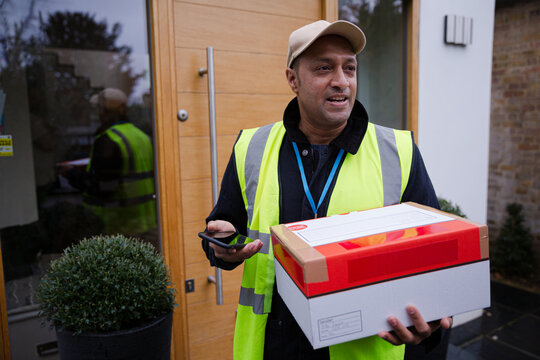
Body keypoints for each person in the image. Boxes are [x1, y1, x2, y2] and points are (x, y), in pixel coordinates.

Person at [202, 20, 452, 360]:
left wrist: (431, 325)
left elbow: (434, 257)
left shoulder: (399, 151)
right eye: (324, 68)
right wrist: (221, 247)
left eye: (349, 68)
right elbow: (225, 229)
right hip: (273, 348)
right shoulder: (251, 147)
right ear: (292, 79)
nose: (341, 81)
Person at [63, 88, 158, 248]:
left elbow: (102, 188)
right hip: (147, 224)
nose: (99, 114)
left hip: (119, 227)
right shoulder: (142, 136)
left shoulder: (108, 140)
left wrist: (71, 174)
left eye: (101, 109)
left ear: (109, 112)